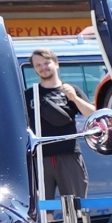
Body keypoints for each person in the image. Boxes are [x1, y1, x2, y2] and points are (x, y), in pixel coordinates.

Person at [28, 48, 95, 205]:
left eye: (46, 63)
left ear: (56, 64)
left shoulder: (71, 90)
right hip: (40, 158)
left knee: (77, 206)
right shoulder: (29, 95)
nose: (43, 68)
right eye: (38, 65)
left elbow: (92, 115)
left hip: (69, 155)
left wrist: (74, 98)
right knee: (43, 210)